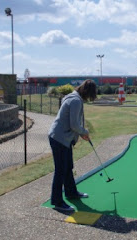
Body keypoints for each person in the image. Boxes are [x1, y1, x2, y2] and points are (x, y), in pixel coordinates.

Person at [48, 79, 97, 211]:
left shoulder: (72, 97)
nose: (89, 99)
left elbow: (73, 123)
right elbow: (74, 125)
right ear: (86, 92)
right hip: (59, 138)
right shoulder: (75, 101)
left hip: (63, 137)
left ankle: (71, 193)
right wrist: (84, 131)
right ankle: (57, 202)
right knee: (60, 170)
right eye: (90, 95)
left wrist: (81, 134)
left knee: (68, 166)